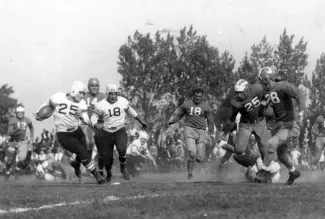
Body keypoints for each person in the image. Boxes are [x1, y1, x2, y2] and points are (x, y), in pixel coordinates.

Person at [35, 81, 105, 184]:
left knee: (86, 150)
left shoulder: (81, 103)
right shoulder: (58, 97)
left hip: (77, 131)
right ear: (74, 90)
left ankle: (76, 164)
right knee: (81, 150)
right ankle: (97, 175)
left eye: (83, 93)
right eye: (81, 93)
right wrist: (39, 112)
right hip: (63, 134)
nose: (82, 96)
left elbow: (85, 118)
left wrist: (82, 116)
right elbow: (47, 103)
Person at [90, 83, 148, 183]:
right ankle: (108, 173)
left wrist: (141, 120)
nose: (113, 96)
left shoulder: (123, 101)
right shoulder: (101, 104)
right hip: (106, 132)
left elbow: (131, 111)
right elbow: (93, 117)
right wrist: (95, 124)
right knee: (107, 158)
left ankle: (122, 167)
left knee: (122, 149)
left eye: (115, 93)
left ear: (117, 93)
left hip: (120, 130)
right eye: (111, 94)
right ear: (107, 93)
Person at [257, 67, 305, 185]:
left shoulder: (282, 86)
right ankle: (293, 172)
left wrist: (301, 111)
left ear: (266, 78)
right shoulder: (265, 93)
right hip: (280, 126)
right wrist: (261, 108)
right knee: (281, 154)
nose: (260, 82)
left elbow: (299, 94)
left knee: (272, 143)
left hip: (290, 124)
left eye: (261, 79)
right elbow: (264, 111)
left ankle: (263, 172)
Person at [219, 79, 270, 180]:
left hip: (260, 122)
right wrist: (225, 133)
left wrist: (265, 101)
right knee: (239, 150)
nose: (239, 95)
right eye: (237, 93)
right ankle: (255, 162)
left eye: (240, 92)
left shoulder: (257, 88)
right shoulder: (235, 101)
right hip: (245, 125)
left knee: (264, 149)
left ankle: (265, 173)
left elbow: (268, 93)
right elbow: (232, 118)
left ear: (247, 89)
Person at [168, 87, 214, 179]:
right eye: (196, 96)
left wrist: (211, 133)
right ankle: (190, 174)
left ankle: (196, 161)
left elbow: (210, 121)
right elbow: (179, 116)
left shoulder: (206, 106)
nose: (197, 98)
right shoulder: (186, 104)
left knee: (200, 158)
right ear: (193, 96)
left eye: (199, 96)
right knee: (192, 152)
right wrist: (173, 121)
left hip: (201, 131)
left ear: (202, 96)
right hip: (189, 129)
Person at [79, 78, 106, 175]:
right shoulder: (83, 96)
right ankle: (88, 164)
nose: (94, 88)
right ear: (88, 86)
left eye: (96, 86)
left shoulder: (103, 96)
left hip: (101, 123)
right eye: (92, 86)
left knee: (102, 148)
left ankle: (101, 169)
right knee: (89, 142)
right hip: (89, 123)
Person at [5, 105, 34, 181]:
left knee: (22, 158)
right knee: (9, 160)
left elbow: (31, 127)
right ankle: (7, 172)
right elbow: (9, 132)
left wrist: (32, 137)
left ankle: (17, 169)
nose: (20, 114)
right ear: (16, 113)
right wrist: (16, 130)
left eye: (22, 112)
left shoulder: (27, 120)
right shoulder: (12, 120)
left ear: (24, 113)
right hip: (12, 141)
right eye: (19, 112)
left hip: (22, 142)